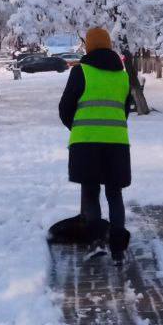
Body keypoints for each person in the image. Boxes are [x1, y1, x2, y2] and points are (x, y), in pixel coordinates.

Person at [58, 27, 132, 261]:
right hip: (117, 143)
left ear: (88, 47)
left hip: (86, 143)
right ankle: (118, 248)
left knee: (90, 192)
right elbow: (124, 110)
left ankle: (97, 242)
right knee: (114, 193)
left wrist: (79, 127)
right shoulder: (122, 76)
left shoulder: (81, 72)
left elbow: (65, 108)